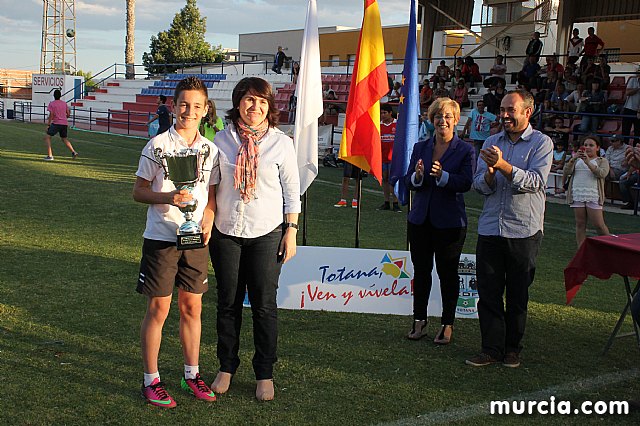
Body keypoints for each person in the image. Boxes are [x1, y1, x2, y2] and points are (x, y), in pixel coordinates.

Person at [208, 77, 301, 402]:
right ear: (238, 102)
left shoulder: (281, 143)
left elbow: (292, 191)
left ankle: (264, 372)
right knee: (228, 305)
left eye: (262, 102)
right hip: (226, 233)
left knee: (264, 307)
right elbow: (211, 185)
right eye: (249, 100)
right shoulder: (221, 139)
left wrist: (290, 230)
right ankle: (226, 367)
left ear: (269, 106)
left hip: (267, 234)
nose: (255, 107)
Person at [134, 77, 219, 409]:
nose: (189, 110)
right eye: (184, 104)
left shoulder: (209, 149)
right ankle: (151, 380)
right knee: (159, 308)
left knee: (192, 307)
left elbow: (210, 195)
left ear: (205, 109)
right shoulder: (157, 145)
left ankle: (191, 373)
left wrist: (209, 214)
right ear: (173, 105)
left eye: (197, 105)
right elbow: (139, 191)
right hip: (161, 237)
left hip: (195, 237)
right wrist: (169, 196)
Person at [466, 89, 553, 368]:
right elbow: (478, 184)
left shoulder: (542, 143)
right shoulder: (491, 141)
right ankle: (490, 348)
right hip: (491, 228)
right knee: (489, 293)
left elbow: (535, 182)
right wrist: (490, 173)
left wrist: (502, 165)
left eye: (510, 111)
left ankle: (513, 348)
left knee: (517, 294)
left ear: (528, 112)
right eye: (502, 110)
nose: (503, 115)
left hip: (523, 231)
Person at [404, 97, 473, 344]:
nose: (442, 121)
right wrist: (418, 176)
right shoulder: (420, 147)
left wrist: (444, 177)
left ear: (455, 120)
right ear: (431, 120)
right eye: (437, 117)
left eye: (447, 117)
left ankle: (447, 324)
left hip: (450, 223)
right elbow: (408, 181)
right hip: (420, 220)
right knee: (421, 272)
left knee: (447, 274)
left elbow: (466, 183)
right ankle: (419, 320)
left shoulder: (465, 150)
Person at [562, 135, 610, 247]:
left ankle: (610, 245)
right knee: (580, 223)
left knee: (599, 225)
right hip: (578, 193)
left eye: (591, 145)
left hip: (593, 194)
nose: (587, 147)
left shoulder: (602, 160)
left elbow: (602, 174)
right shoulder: (577, 160)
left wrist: (588, 162)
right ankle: (581, 250)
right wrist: (573, 159)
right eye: (585, 145)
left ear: (597, 148)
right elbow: (566, 171)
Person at [43, 89, 79, 161]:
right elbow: (68, 114)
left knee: (47, 137)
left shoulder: (52, 104)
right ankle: (73, 151)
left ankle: (50, 155)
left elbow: (51, 114)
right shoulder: (64, 103)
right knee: (64, 139)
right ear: (60, 96)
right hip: (64, 123)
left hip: (56, 123)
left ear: (54, 96)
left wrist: (48, 124)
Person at [378, 103, 401, 212]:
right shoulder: (379, 125)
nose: (383, 115)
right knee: (385, 179)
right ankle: (386, 202)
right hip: (383, 157)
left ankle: (396, 202)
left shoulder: (397, 124)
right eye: (381, 113)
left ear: (390, 113)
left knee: (394, 179)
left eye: (385, 113)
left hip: (394, 157)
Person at [622, 67, 640, 146]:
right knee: (625, 130)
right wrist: (638, 89)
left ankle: (636, 149)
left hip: (638, 110)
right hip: (629, 108)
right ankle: (624, 148)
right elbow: (628, 92)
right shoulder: (633, 80)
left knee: (638, 131)